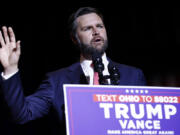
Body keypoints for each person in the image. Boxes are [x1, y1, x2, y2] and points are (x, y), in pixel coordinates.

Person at [0, 7, 146, 134]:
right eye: (87, 28)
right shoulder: (56, 80)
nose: (96, 32)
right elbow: (22, 114)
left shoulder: (133, 75)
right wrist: (11, 69)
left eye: (100, 26)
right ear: (74, 39)